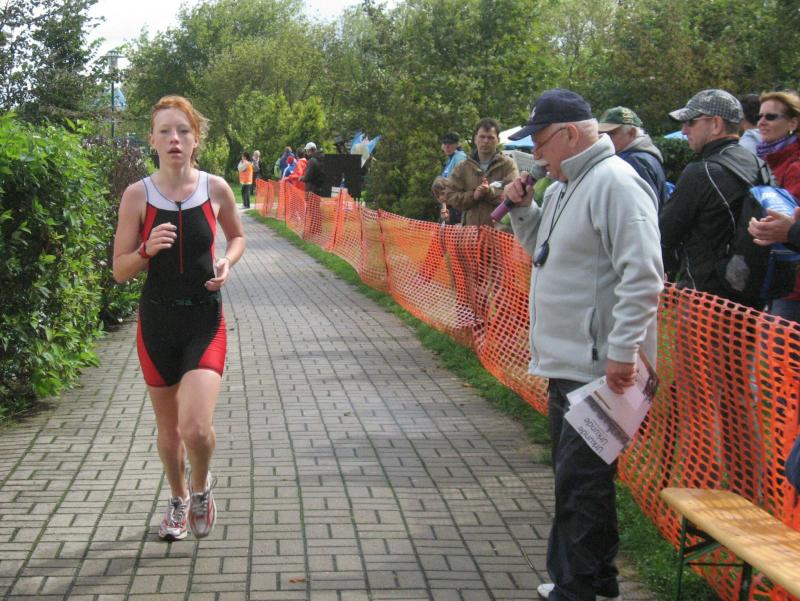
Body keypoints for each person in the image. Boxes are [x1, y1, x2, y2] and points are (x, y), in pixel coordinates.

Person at [504, 88, 663, 601]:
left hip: (598, 367)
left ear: (570, 135)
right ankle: (597, 577)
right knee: (584, 479)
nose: (535, 154)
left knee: (579, 481)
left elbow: (644, 275)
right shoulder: (564, 186)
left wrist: (623, 350)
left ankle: (574, 588)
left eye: (540, 142)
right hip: (570, 360)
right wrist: (523, 210)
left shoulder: (616, 183)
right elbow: (543, 252)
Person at [112, 95, 245, 541]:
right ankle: (177, 499)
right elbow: (119, 270)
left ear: (196, 140)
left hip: (204, 322)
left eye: (183, 131)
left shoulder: (216, 188)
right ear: (151, 140)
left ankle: (202, 487)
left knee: (196, 428)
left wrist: (227, 261)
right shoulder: (138, 195)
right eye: (165, 131)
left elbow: (237, 236)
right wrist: (145, 250)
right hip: (157, 326)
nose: (174, 139)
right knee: (169, 431)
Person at [659, 89, 768, 309]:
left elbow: (665, 233)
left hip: (704, 299)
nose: (684, 130)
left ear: (716, 124)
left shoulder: (702, 172)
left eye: (690, 122)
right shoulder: (758, 164)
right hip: (750, 297)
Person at [752, 90, 800, 320]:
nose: (761, 122)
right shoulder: (770, 160)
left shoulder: (795, 166)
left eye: (770, 117)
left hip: (793, 286)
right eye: (759, 116)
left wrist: (782, 229)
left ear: (793, 123)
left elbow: (787, 222)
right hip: (777, 277)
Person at [443, 118, 519, 227]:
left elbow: (514, 196)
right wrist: (473, 195)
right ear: (475, 139)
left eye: (490, 137)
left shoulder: (508, 165)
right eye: (482, 137)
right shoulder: (463, 166)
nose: (486, 141)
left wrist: (489, 192)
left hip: (498, 233)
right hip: (470, 232)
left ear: (498, 140)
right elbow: (450, 195)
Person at [597, 106, 669, 210]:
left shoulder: (634, 161)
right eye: (601, 134)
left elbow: (642, 209)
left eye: (611, 134)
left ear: (632, 133)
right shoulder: (644, 156)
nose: (605, 138)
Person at [437, 131, 467, 225]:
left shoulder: (459, 158)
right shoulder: (450, 159)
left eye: (450, 143)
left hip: (457, 205)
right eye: (445, 143)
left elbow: (458, 183)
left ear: (457, 144)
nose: (447, 146)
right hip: (449, 204)